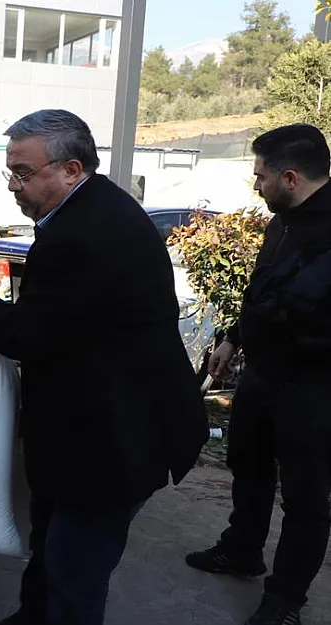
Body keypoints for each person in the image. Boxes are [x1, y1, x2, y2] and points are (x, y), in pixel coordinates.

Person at [0, 109, 208, 625]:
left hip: (112, 441)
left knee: (74, 574)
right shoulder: (91, 210)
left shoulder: (82, 234)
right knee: (49, 548)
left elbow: (30, 336)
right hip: (86, 429)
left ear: (72, 169)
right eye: (10, 171)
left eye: (23, 173)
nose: (13, 185)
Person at [184, 123, 331, 625]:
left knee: (306, 497)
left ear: (289, 177)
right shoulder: (282, 220)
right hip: (263, 374)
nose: (256, 186)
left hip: (314, 388)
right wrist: (231, 337)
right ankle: (242, 549)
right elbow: (263, 288)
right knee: (248, 467)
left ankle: (285, 599)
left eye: (260, 176)